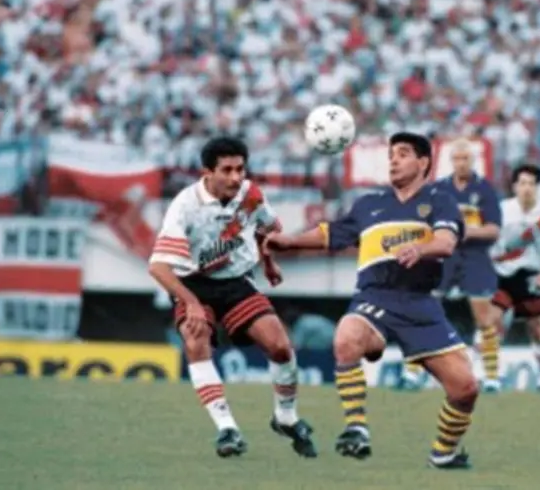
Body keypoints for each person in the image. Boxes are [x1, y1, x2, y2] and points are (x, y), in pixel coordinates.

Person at [267, 132, 479, 470]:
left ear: (424, 162)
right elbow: (330, 233)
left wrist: (420, 248)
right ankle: (356, 429)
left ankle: (444, 452)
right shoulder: (369, 204)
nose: (393, 159)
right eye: (391, 154)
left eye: (403, 153)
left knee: (466, 388)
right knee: (346, 336)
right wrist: (289, 241)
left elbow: (445, 242)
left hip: (421, 304)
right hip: (375, 297)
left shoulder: (440, 201)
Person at [148, 136, 317, 459]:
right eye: (226, 170)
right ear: (207, 172)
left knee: (280, 346)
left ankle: (286, 417)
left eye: (240, 169)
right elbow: (157, 267)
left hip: (236, 281)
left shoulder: (250, 194)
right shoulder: (185, 206)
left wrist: (268, 261)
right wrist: (192, 304)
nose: (235, 177)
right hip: (193, 284)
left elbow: (267, 228)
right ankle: (227, 428)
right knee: (196, 340)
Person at [399, 139, 503, 392]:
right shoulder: (439, 189)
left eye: (466, 158)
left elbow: (494, 229)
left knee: (485, 318)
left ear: (473, 160)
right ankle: (413, 373)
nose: (461, 163)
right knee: (425, 311)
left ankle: (491, 377)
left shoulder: (485, 190)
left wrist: (467, 232)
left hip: (474, 257)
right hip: (444, 256)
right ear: (451, 161)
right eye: (457, 158)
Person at [488, 164, 540, 392]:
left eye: (531, 184)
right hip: (503, 274)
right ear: (514, 186)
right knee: (493, 322)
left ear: (537, 187)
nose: (526, 188)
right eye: (522, 183)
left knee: (536, 328)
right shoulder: (502, 210)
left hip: (530, 275)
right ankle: (492, 377)